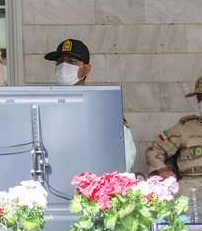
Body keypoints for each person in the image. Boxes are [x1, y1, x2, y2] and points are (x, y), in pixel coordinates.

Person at [44, 39, 137, 172]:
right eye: (60, 61)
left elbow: (127, 153)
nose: (64, 66)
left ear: (86, 69)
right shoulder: (45, 106)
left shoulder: (104, 108)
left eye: (72, 61)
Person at [146, 74, 202, 213]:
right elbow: (154, 149)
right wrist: (163, 171)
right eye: (199, 98)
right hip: (193, 184)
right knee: (189, 202)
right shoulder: (184, 128)